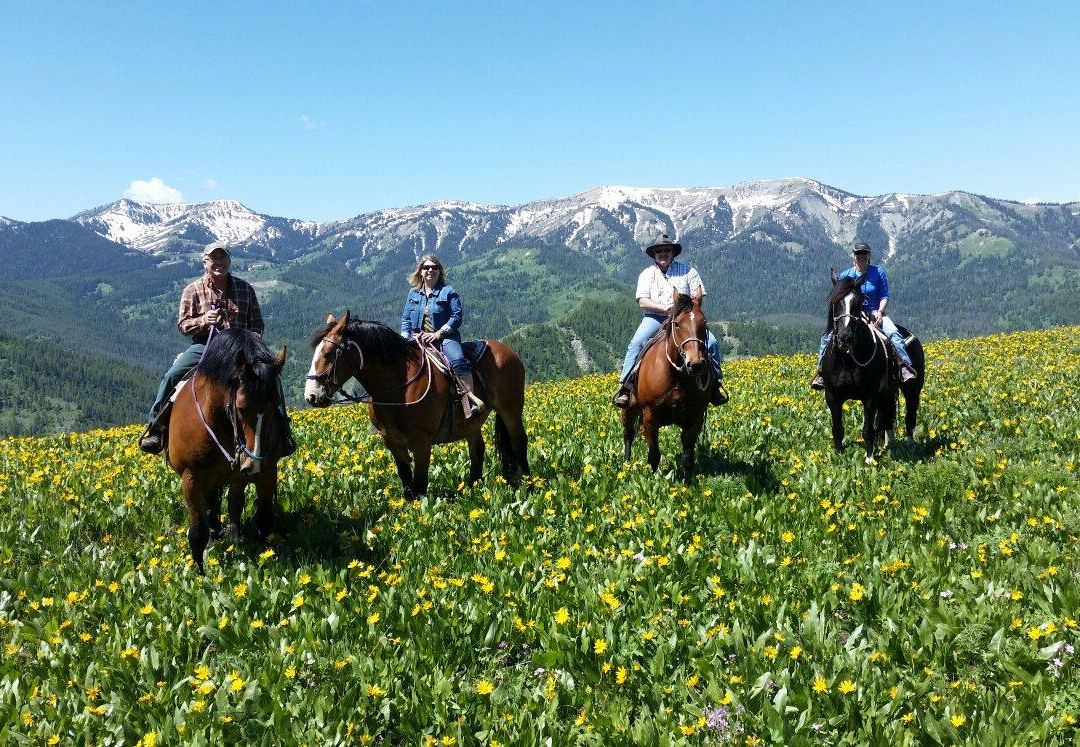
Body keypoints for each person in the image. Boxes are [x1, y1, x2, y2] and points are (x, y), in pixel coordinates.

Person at [139, 241, 295, 456]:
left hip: (241, 348)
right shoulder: (192, 290)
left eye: (222, 258)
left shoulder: (245, 288)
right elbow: (183, 325)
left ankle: (283, 431)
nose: (218, 263)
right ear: (205, 262)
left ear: (229, 261)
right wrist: (203, 320)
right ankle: (156, 429)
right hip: (207, 346)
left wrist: (252, 339)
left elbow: (257, 322)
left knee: (271, 377)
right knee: (173, 375)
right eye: (214, 259)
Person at [612, 235, 725, 408]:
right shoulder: (647, 274)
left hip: (685, 321)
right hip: (655, 318)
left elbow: (698, 295)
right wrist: (664, 308)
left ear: (673, 253)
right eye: (659, 251)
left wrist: (686, 308)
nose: (662, 254)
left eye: (666, 250)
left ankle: (715, 385)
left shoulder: (688, 271)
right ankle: (625, 387)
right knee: (637, 342)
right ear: (654, 254)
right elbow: (642, 300)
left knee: (712, 343)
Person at [810, 242, 917, 390]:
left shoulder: (878, 272)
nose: (861, 256)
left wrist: (880, 312)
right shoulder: (845, 275)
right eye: (858, 254)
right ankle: (821, 372)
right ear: (854, 256)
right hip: (853, 315)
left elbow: (884, 295)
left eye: (864, 254)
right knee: (827, 337)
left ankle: (904, 366)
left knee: (893, 333)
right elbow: (840, 299)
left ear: (869, 256)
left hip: (875, 313)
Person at [400, 255, 481, 417]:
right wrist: (403, 338)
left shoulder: (448, 291)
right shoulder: (413, 293)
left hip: (445, 338)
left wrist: (438, 334)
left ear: (439, 271)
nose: (430, 270)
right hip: (417, 339)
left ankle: (470, 400)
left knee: (457, 360)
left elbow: (456, 317)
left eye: (434, 267)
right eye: (426, 267)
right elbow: (406, 319)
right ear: (420, 272)